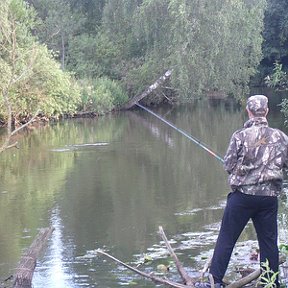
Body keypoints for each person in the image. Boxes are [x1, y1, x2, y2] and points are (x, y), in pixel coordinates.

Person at [197, 95, 288, 288]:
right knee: (269, 243)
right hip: (269, 199)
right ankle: (271, 283)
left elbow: (229, 165)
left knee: (227, 239)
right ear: (267, 111)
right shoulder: (281, 137)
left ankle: (215, 282)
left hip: (243, 198)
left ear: (248, 111)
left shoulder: (240, 136)